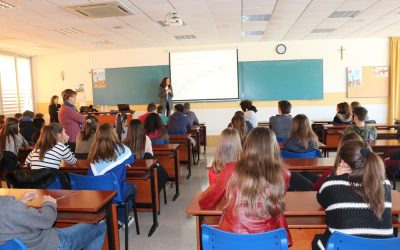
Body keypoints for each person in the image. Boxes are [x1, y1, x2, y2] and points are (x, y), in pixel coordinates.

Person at [312, 140, 393, 249]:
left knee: (316, 240)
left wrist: (336, 176)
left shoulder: (332, 183)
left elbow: (321, 198)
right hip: (382, 247)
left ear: (343, 163)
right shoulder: (385, 184)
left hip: (341, 246)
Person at [217, 127, 292, 245]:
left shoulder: (230, 169)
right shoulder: (283, 173)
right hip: (268, 240)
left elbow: (206, 201)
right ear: (274, 147)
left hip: (231, 238)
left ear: (247, 146)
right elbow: (275, 199)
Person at [0, 192, 107, 250]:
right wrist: (49, 203)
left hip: (27, 243)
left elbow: (8, 217)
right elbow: (47, 220)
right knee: (101, 224)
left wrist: (20, 204)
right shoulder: (8, 206)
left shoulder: (8, 207)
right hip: (51, 244)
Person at [88, 123, 135, 225]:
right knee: (132, 188)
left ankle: (109, 217)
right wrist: (123, 162)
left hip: (97, 196)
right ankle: (122, 219)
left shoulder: (94, 152)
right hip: (115, 194)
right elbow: (131, 159)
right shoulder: (122, 149)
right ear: (113, 134)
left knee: (115, 189)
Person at [289, 132, 363, 191]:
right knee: (304, 173)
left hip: (318, 191)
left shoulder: (332, 173)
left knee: (293, 175)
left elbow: (317, 189)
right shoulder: (363, 169)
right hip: (325, 185)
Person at [199, 128, 241, 209]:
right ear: (238, 146)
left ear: (220, 146)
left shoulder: (214, 169)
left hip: (219, 210)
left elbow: (211, 196)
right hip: (238, 211)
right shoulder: (245, 169)